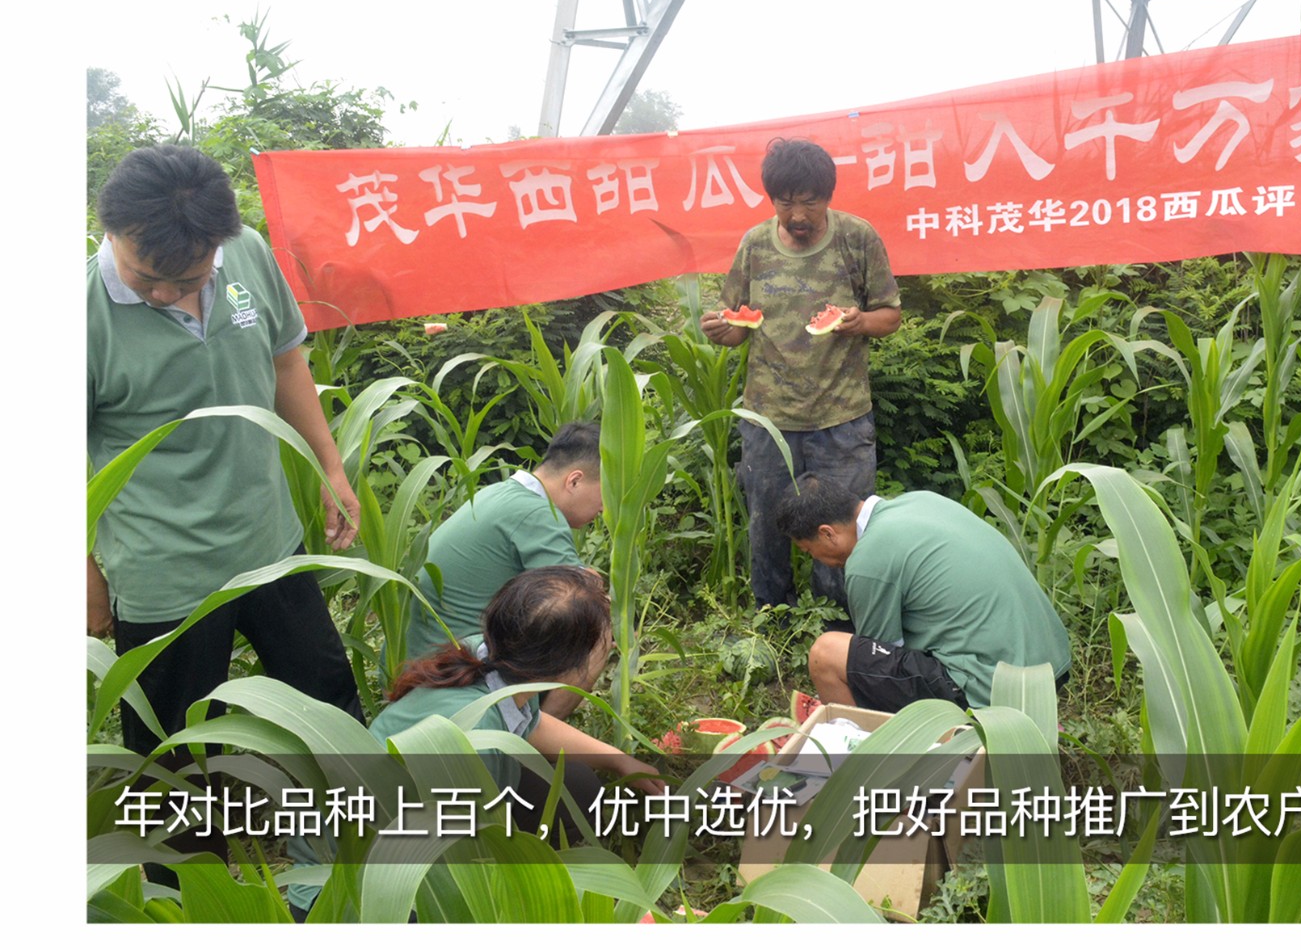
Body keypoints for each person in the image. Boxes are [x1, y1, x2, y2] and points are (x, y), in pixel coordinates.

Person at [87, 144, 364, 757]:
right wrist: (83, 575)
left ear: (219, 243)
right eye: (144, 276)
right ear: (112, 231)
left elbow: (285, 361)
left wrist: (331, 466)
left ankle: (345, 816)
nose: (165, 294)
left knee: (329, 709)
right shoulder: (79, 316)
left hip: (270, 542)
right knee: (175, 755)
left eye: (188, 279)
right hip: (164, 574)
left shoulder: (247, 252)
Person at [288, 565, 664, 920]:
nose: (610, 647)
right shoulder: (473, 742)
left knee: (577, 788)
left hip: (417, 832)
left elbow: (530, 722)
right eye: (605, 643)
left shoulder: (492, 658)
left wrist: (619, 760)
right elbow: (448, 861)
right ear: (566, 668)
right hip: (349, 899)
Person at [699, 137, 901, 612]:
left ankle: (838, 621)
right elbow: (738, 327)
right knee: (766, 523)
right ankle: (771, 617)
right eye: (785, 202)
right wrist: (721, 330)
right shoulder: (754, 244)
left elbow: (890, 316)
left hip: (842, 419)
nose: (797, 215)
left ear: (827, 196)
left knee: (843, 527)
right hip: (768, 419)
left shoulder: (857, 238)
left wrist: (859, 322)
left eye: (809, 202)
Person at [774, 473, 1073, 712]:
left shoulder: (868, 559)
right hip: (1049, 673)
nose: (818, 560)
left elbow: (875, 668)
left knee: (826, 654)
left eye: (809, 551)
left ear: (827, 533)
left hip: (993, 689)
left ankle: (863, 753)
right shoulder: (921, 501)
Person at [405, 421, 604, 698]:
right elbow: (582, 598)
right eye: (605, 493)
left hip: (419, 665)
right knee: (597, 626)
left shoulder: (498, 494)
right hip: (456, 676)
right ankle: (529, 723)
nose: (604, 507)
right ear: (574, 481)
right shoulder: (538, 514)